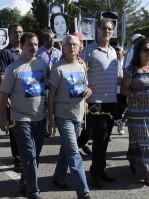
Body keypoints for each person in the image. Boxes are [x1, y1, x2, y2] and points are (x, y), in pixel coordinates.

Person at [0, 32, 48, 199]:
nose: (33, 47)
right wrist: (4, 118)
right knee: (28, 155)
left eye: (35, 44)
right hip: (20, 119)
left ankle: (24, 183)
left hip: (40, 118)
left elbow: (53, 82)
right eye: (29, 44)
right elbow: (3, 95)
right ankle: (33, 192)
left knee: (35, 155)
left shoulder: (42, 65)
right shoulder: (13, 68)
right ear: (22, 46)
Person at [48, 35, 91, 199]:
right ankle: (83, 190)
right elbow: (51, 95)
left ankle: (58, 178)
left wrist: (88, 93)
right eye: (68, 44)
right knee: (74, 151)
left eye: (75, 44)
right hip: (63, 115)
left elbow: (85, 87)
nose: (72, 47)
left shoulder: (82, 65)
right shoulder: (58, 68)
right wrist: (51, 120)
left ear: (79, 47)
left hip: (78, 115)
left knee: (66, 150)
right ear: (63, 47)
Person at [79, 18, 120, 189]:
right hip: (95, 102)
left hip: (111, 101)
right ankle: (95, 173)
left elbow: (117, 76)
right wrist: (85, 92)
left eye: (110, 29)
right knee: (99, 138)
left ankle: (100, 169)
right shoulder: (88, 50)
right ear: (97, 30)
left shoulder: (114, 52)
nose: (107, 31)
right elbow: (79, 74)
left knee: (105, 139)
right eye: (104, 28)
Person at [122, 38, 149, 187]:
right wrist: (135, 95)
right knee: (146, 143)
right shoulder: (131, 69)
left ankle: (134, 161)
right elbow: (124, 89)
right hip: (137, 113)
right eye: (146, 49)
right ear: (139, 52)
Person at [0, 23, 23, 172]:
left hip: (25, 97)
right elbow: (1, 75)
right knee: (14, 129)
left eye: (19, 32)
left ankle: (24, 155)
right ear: (9, 35)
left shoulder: (25, 50)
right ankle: (18, 159)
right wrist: (5, 95)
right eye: (14, 33)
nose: (17, 35)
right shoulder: (6, 53)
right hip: (12, 96)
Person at [36, 32, 62, 137]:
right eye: (49, 39)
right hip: (44, 84)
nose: (52, 41)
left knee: (55, 105)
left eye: (53, 39)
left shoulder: (58, 53)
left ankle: (53, 125)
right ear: (44, 40)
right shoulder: (39, 52)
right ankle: (46, 128)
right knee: (46, 105)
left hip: (56, 84)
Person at [115, 45, 126, 135]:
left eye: (119, 52)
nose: (118, 54)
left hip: (125, 89)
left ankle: (121, 120)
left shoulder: (125, 62)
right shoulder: (112, 63)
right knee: (118, 109)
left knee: (124, 106)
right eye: (116, 52)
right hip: (115, 90)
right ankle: (120, 122)